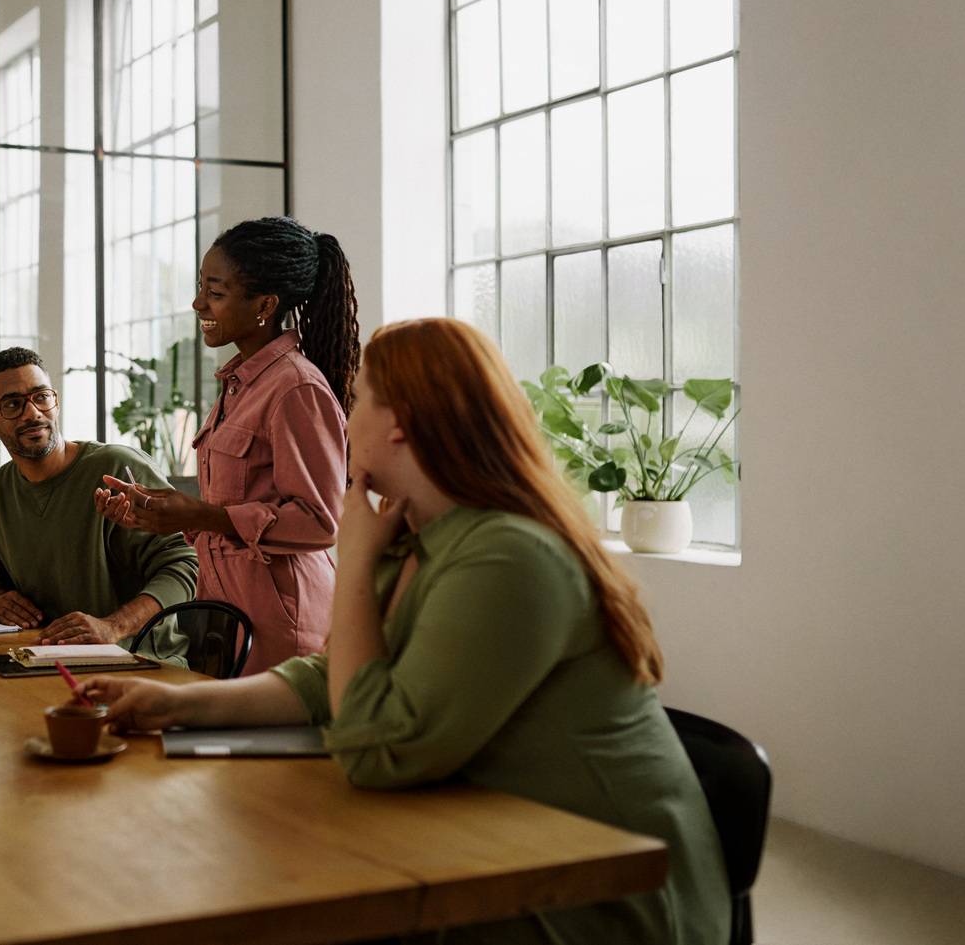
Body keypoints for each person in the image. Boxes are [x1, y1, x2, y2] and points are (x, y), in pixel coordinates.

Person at [85, 318, 732, 945]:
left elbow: (375, 750)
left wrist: (357, 557)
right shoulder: (419, 532)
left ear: (400, 425)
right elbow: (327, 676)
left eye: (358, 397)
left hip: (596, 905)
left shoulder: (508, 555)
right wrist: (180, 703)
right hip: (480, 845)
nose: (345, 416)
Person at [96, 217, 354, 674]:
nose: (198, 303)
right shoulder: (240, 385)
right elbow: (235, 513)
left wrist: (201, 514)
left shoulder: (296, 388)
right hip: (223, 616)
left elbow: (322, 522)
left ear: (265, 305)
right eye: (201, 287)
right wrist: (160, 513)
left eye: (215, 292)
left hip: (281, 627)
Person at [0, 347, 197, 660]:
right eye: (13, 404)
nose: (33, 413)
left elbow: (186, 564)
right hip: (42, 661)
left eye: (41, 396)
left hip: (140, 665)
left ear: (55, 401)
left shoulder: (118, 469)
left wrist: (113, 627)